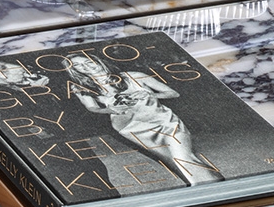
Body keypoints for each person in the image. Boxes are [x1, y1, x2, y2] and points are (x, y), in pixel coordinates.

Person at [65, 52, 223, 185]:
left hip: (163, 120)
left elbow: (173, 93)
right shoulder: (81, 88)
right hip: (130, 127)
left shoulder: (134, 76)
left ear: (97, 61)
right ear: (74, 70)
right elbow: (92, 108)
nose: (85, 66)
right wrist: (109, 109)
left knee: (182, 156)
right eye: (78, 65)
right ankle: (213, 181)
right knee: (170, 159)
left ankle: (207, 188)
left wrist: (150, 94)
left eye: (88, 61)